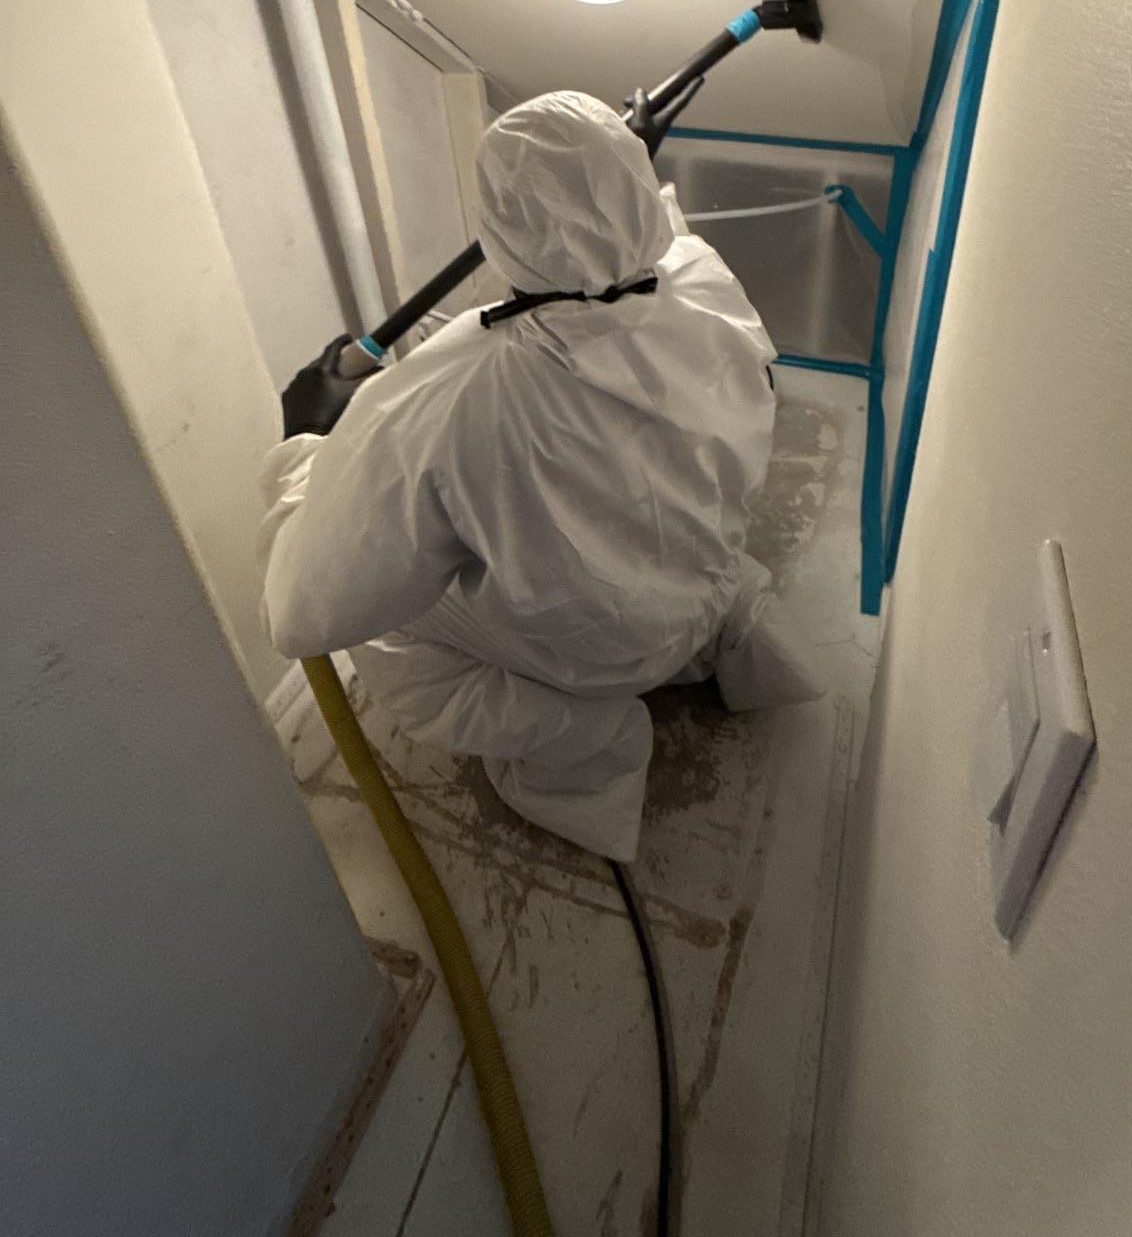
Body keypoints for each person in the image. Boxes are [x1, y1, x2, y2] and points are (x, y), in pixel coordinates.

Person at [258, 89, 821, 859]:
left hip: (601, 657)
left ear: (497, 231)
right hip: (700, 580)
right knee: (666, 526)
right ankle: (739, 640)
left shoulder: (451, 398)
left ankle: (588, 751)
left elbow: (303, 613)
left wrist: (307, 449)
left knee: (388, 637)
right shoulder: (700, 279)